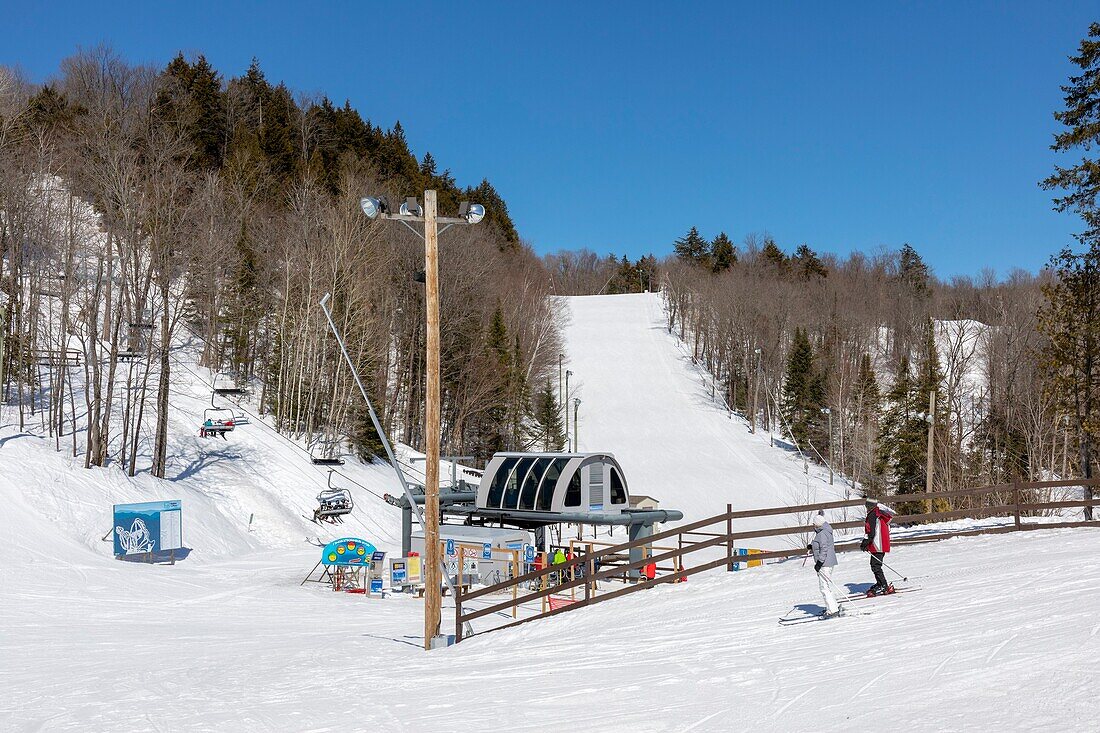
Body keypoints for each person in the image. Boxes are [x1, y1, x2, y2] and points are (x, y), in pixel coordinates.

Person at [860, 498, 896, 596]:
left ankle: (884, 585)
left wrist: (865, 543)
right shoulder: (878, 514)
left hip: (877, 544)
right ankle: (880, 583)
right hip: (881, 543)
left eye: (867, 506)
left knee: (875, 565)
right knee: (875, 564)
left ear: (870, 506)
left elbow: (870, 532)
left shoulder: (872, 515)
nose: (866, 508)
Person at [809, 514, 840, 617]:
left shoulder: (822, 534)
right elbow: (822, 545)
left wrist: (819, 563)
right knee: (826, 586)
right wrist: (812, 546)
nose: (813, 526)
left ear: (817, 524)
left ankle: (832, 610)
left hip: (825, 563)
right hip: (828, 562)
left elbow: (824, 549)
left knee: (824, 587)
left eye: (814, 524)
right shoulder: (826, 531)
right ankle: (833, 606)